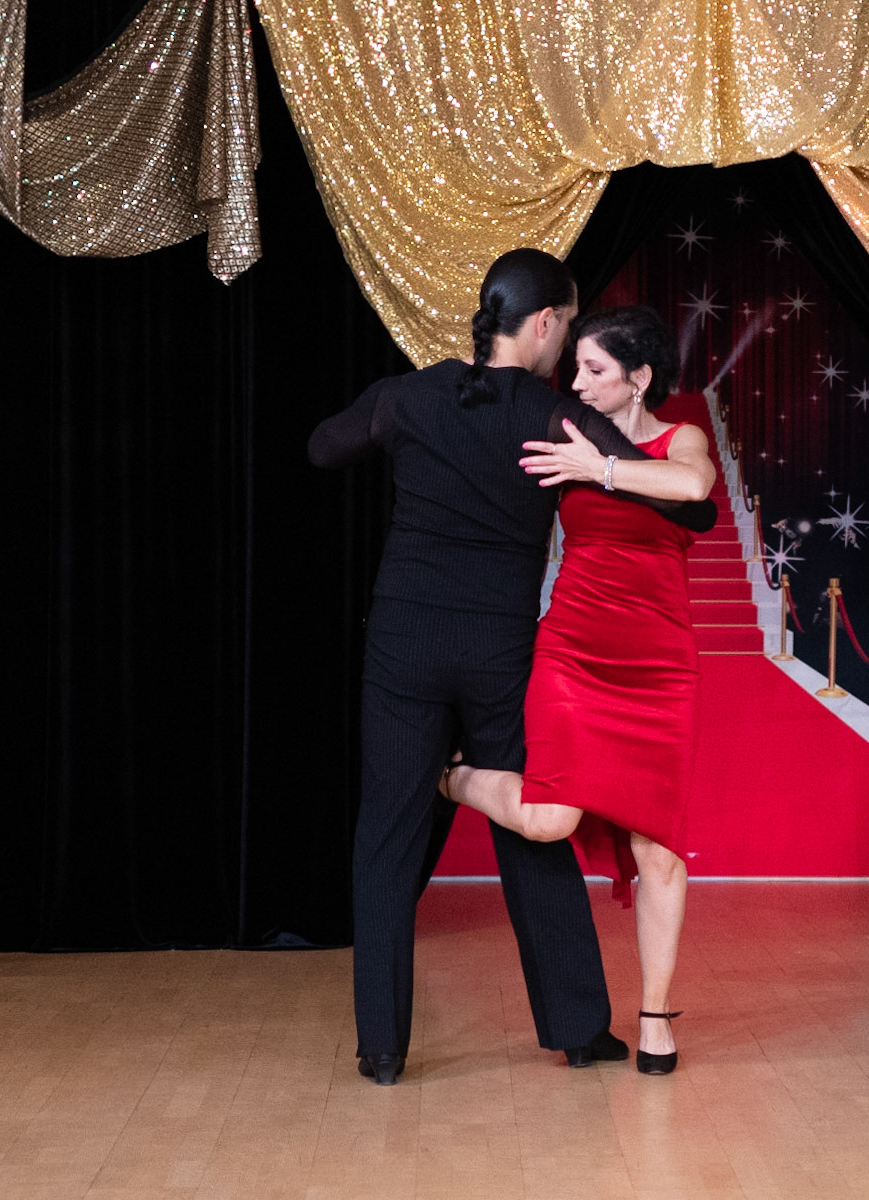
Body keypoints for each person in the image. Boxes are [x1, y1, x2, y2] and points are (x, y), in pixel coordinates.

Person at [307, 253, 716, 1086]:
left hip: (404, 642)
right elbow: (689, 505)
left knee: (385, 835)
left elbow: (322, 448)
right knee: (532, 826)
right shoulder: (555, 416)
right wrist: (601, 467)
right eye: (566, 331)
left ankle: (381, 1048)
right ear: (544, 322)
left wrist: (399, 419)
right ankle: (579, 1029)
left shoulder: (409, 394)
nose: (567, 353)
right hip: (500, 650)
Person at [443, 306, 716, 1075]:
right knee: (548, 818)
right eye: (577, 368)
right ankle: (450, 775)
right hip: (574, 651)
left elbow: (692, 485)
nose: (580, 382)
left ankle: (655, 1017)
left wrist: (599, 470)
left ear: (640, 378)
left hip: (660, 666)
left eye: (596, 370)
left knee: (660, 852)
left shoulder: (679, 437)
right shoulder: (563, 430)